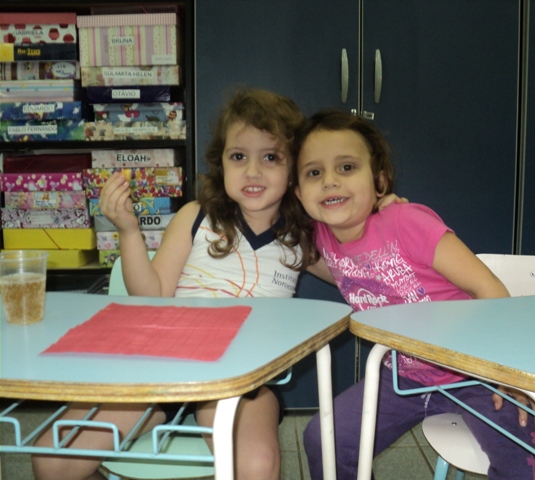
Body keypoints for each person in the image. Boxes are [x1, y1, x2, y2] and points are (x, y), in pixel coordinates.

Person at [31, 87, 333, 480]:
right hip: (157, 368)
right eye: (238, 156)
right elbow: (151, 295)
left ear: (294, 169)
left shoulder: (301, 236)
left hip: (242, 382)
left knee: (256, 466)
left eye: (270, 157)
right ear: (220, 162)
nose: (252, 172)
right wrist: (128, 231)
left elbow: (359, 271)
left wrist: (382, 216)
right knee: (51, 459)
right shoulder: (196, 216)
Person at [294, 109, 535, 480]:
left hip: (476, 375)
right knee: (325, 440)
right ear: (298, 192)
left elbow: (488, 288)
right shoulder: (318, 240)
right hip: (401, 379)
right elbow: (336, 269)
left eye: (347, 167)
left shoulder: (407, 221)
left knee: (534, 468)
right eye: (314, 173)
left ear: (379, 182)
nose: (330, 181)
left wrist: (510, 373)